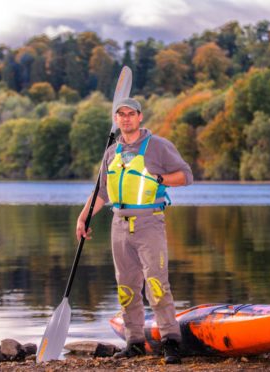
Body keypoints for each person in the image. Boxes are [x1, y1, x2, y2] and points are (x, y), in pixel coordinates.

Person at [75, 97, 193, 364]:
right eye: (121, 114)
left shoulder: (159, 147)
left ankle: (171, 341)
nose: (126, 118)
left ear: (140, 117)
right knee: (126, 286)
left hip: (149, 222)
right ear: (116, 119)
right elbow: (102, 192)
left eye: (131, 114)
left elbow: (186, 176)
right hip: (118, 223)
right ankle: (135, 342)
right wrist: (83, 219)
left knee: (156, 285)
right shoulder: (111, 153)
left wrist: (160, 178)